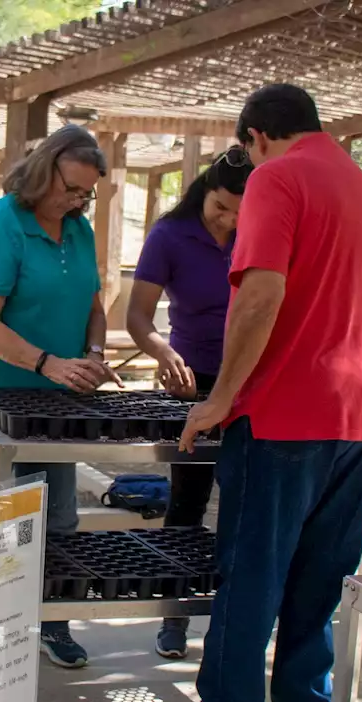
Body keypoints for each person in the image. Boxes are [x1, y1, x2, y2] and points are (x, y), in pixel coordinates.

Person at [179, 84, 362, 702]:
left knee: (251, 585)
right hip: (361, 420)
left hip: (283, 420)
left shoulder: (277, 179)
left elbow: (259, 296)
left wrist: (219, 399)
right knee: (315, 591)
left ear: (257, 137)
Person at [0, 124, 122, 669]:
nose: (77, 200)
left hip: (54, 394)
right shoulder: (3, 223)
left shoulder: (79, 229)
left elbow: (93, 303)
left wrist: (91, 351)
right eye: (71, 188)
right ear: (44, 171)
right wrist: (48, 362)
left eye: (87, 194)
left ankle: (53, 622)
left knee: (56, 515)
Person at [127, 146, 253, 659]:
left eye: (240, 213)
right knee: (188, 501)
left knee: (246, 503)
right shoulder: (169, 236)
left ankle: (234, 617)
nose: (227, 220)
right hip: (191, 380)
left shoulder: (259, 233)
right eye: (220, 207)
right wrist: (164, 353)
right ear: (203, 191)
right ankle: (174, 616)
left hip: (250, 380)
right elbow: (138, 316)